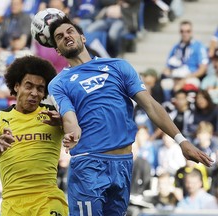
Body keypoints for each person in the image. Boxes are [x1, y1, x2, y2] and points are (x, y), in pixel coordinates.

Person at [45, 15, 213, 215]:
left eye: (70, 31)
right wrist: (72, 131)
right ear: (57, 50)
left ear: (83, 37)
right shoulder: (59, 83)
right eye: (59, 36)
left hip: (123, 163)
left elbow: (150, 105)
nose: (66, 36)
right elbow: (69, 117)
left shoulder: (119, 66)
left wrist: (182, 141)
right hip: (89, 164)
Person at [0, 55, 68, 215]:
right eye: (29, 86)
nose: (34, 92)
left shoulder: (54, 115)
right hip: (13, 205)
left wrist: (64, 123)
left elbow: (83, 132)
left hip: (48, 200)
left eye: (40, 88)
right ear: (16, 86)